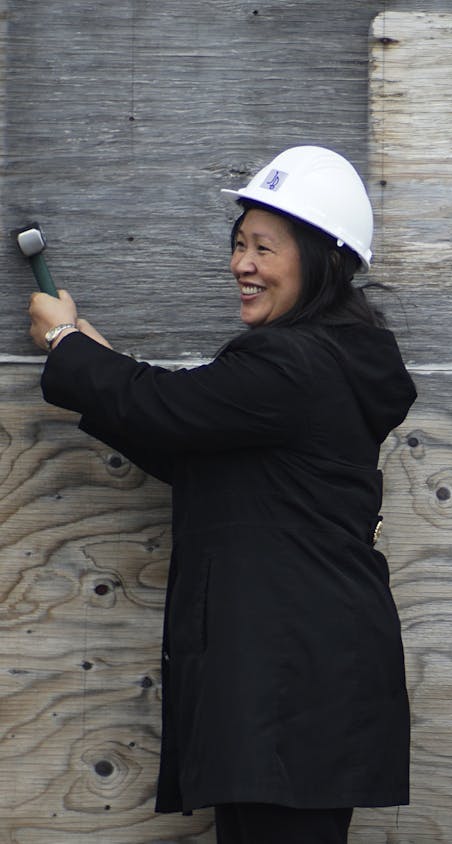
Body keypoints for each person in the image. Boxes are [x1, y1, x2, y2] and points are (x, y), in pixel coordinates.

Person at [27, 146, 416, 844]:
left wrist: (63, 344)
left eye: (264, 248)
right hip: (303, 682)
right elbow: (200, 447)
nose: (242, 264)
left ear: (323, 259)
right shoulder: (329, 359)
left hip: (288, 688)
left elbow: (169, 407)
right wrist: (91, 363)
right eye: (239, 244)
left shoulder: (290, 364)